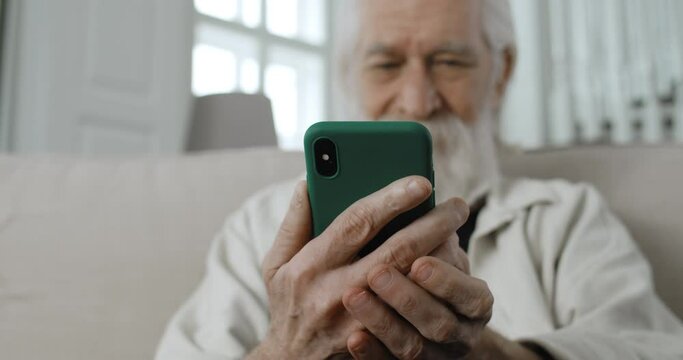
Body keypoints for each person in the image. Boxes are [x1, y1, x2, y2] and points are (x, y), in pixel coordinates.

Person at [156, 0, 683, 358]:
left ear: (500, 74)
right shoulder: (261, 226)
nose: (416, 100)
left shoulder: (564, 218)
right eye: (386, 65)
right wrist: (287, 349)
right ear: (347, 77)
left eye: (449, 61)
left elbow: (653, 346)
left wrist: (488, 354)